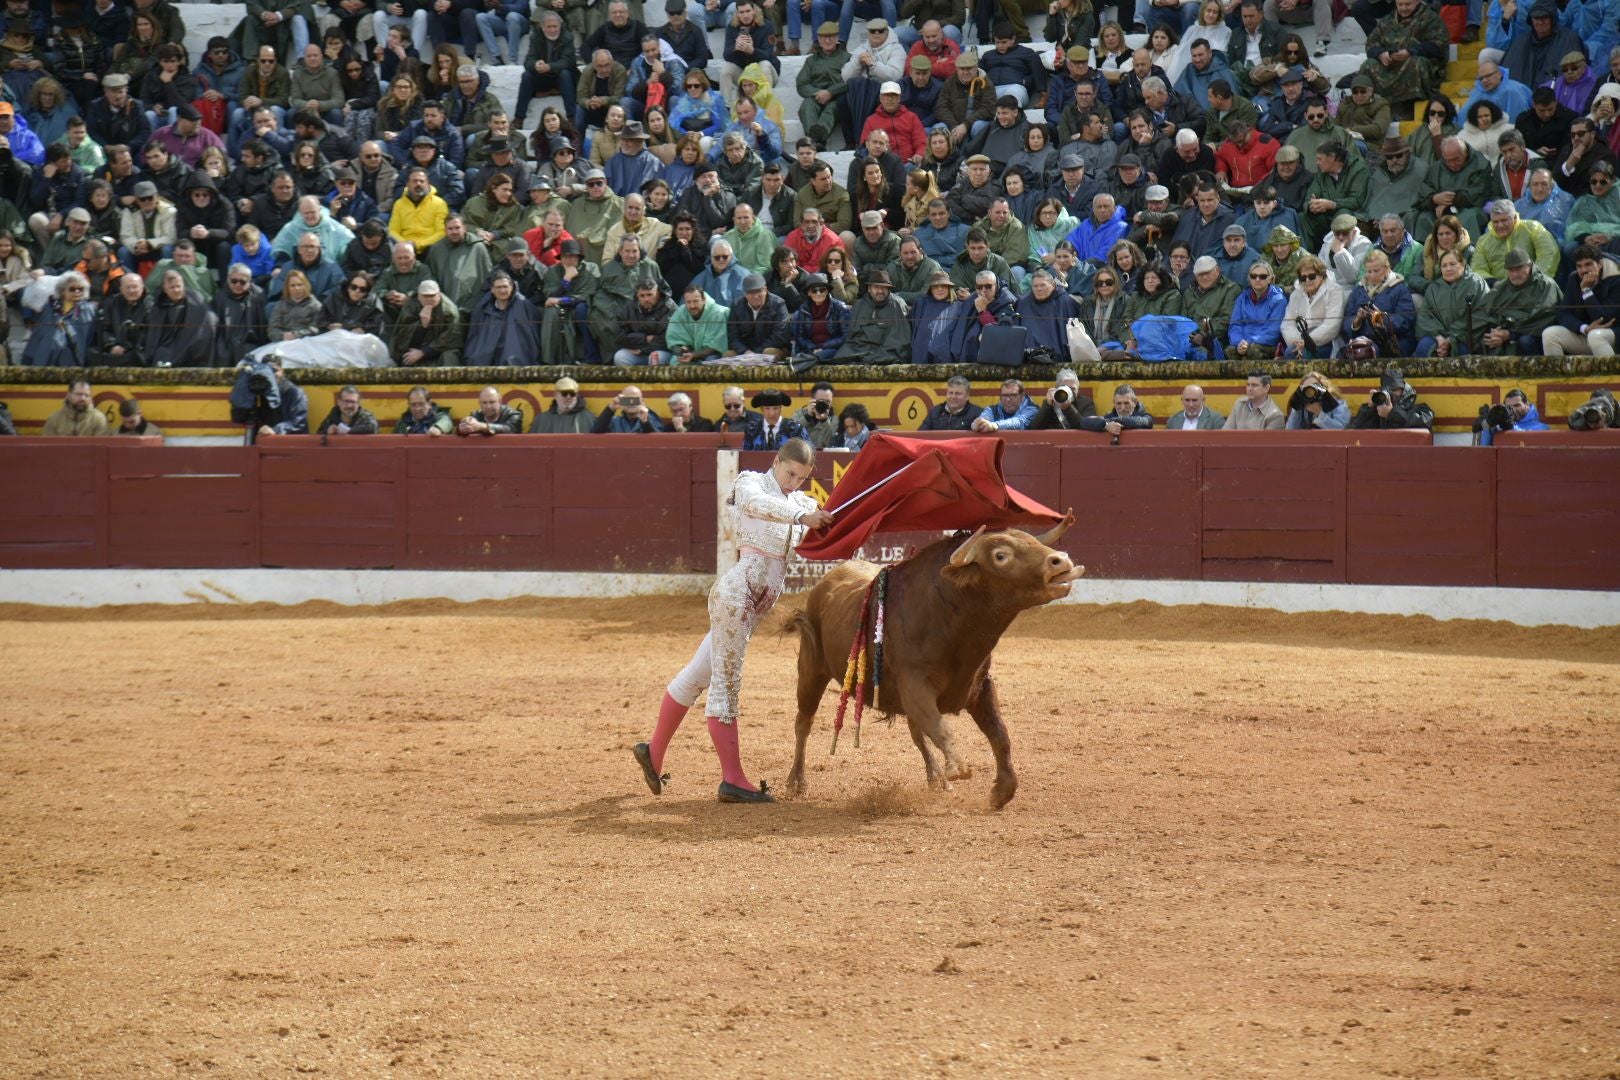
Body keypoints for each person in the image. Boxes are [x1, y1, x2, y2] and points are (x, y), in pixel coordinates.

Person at [635, 438, 834, 804]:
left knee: (697, 676)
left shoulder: (802, 502)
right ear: (776, 462)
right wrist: (802, 517)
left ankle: (653, 751)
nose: (794, 483)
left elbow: (824, 525)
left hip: (751, 606)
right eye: (790, 473)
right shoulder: (751, 483)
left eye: (802, 478)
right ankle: (733, 780)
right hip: (735, 598)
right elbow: (757, 505)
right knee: (726, 685)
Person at [1480, 248, 1564, 354]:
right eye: (1511, 270)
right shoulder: (1501, 287)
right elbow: (1485, 312)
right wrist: (1496, 333)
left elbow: (1543, 317)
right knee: (1486, 338)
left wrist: (1510, 334)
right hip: (1506, 334)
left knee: (1525, 341)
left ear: (1529, 266)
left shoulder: (1546, 285)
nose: (1515, 274)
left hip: (1537, 336)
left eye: (1519, 269)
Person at [1543, 243, 1620, 355]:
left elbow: (1604, 319)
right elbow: (1563, 313)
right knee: (1550, 334)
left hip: (1613, 336)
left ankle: (1613, 372)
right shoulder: (1574, 278)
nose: (1583, 270)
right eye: (1579, 266)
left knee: (1596, 336)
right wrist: (1585, 328)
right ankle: (1561, 372)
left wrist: (1586, 291)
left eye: (1588, 264)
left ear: (1600, 264)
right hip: (1588, 334)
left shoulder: (1616, 280)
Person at [1280, 254, 1343, 359]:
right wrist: (1298, 341)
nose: (1307, 280)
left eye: (1311, 276)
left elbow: (1332, 325)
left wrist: (1307, 342)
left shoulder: (1335, 290)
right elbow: (1287, 324)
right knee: (1290, 353)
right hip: (1300, 340)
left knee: (1305, 355)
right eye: (1303, 277)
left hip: (1325, 341)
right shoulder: (1296, 294)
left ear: (1321, 275)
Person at [1028, 368, 1097, 429]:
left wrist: (1068, 408)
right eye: (1064, 387)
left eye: (1072, 388)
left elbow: (1088, 427)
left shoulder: (1086, 403)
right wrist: (1047, 405)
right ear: (1056, 388)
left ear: (1078, 389)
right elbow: (1034, 427)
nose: (1068, 391)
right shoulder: (1051, 402)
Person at [40, 378, 109, 435]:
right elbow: (47, 448)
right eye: (78, 394)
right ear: (69, 395)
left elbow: (100, 449)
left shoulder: (99, 419)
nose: (83, 398)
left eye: (86, 395)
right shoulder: (54, 419)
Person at [1283, 370, 1350, 429]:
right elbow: (1289, 432)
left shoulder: (1338, 404)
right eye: (1307, 388)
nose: (1311, 391)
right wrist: (1297, 407)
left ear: (1323, 387)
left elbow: (1341, 430)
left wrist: (1319, 412)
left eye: (1315, 385)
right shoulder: (1302, 407)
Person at [529, 377, 598, 433]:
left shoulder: (588, 418)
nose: (568, 397)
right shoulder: (541, 420)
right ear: (555, 395)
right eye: (564, 393)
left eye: (572, 394)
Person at [1079, 384, 1155, 435]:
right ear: (1114, 403)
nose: (1122, 408)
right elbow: (1083, 422)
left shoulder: (1146, 418)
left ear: (1134, 402)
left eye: (1126, 403)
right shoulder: (1109, 418)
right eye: (1119, 403)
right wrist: (1106, 425)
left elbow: (1143, 422)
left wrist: (1107, 423)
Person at [920, 374, 985, 431]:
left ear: (967, 396)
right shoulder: (934, 412)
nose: (953, 397)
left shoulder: (978, 414)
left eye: (958, 393)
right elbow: (920, 437)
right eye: (950, 393)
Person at [972, 378, 1038, 432]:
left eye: (1013, 395)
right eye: (1004, 395)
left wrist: (995, 425)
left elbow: (1019, 422)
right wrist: (977, 425)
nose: (1008, 399)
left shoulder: (1032, 409)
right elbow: (983, 419)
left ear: (1022, 396)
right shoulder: (992, 410)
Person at [592, 385, 665, 432]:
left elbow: (657, 441)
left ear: (642, 401)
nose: (631, 403)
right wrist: (610, 409)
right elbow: (594, 433)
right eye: (627, 400)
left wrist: (645, 423)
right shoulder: (615, 422)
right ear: (621, 401)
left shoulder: (652, 420)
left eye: (634, 399)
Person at [456, 386, 524, 436]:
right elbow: (459, 432)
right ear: (479, 403)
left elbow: (509, 429)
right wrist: (462, 428)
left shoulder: (512, 414)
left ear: (500, 401)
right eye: (484, 403)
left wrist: (481, 426)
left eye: (492, 402)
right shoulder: (476, 415)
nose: (488, 406)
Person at [315, 384, 379, 435]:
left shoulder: (365, 416)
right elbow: (319, 434)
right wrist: (327, 431)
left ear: (358, 403)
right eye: (346, 401)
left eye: (353, 402)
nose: (349, 405)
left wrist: (348, 431)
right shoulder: (333, 415)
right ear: (339, 402)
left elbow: (372, 428)